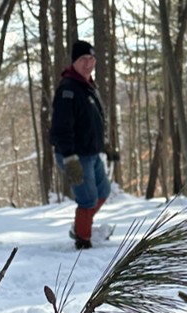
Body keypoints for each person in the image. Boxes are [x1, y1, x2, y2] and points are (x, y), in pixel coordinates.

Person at [51, 40, 117, 250]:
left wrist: (104, 146)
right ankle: (83, 241)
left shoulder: (87, 86)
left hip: (91, 153)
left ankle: (81, 226)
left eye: (91, 59)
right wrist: (70, 158)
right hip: (75, 155)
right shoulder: (68, 89)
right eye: (83, 60)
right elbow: (61, 128)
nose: (88, 63)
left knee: (103, 190)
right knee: (88, 199)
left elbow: (92, 123)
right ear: (75, 62)